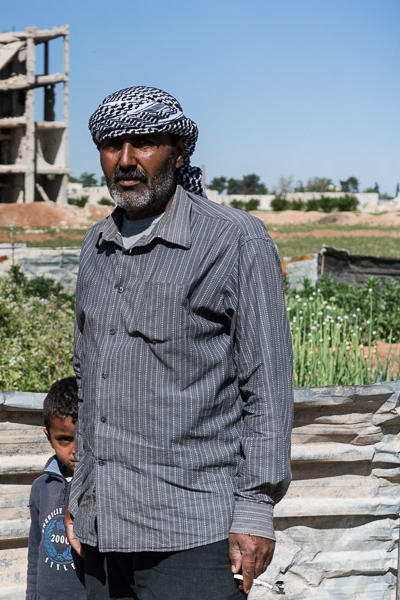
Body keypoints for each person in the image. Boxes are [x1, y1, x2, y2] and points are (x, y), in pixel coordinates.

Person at [64, 86, 293, 599]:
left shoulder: (235, 239)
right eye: (111, 145)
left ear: (179, 151)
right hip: (103, 526)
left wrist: (256, 507)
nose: (126, 160)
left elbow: (268, 387)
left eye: (144, 143)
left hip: (193, 529)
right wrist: (81, 492)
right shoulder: (95, 245)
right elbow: (87, 379)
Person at [27, 377, 86, 599]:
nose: (75, 450)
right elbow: (35, 548)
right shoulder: (41, 488)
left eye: (83, 438)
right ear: (49, 437)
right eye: (64, 439)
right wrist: (32, 594)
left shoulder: (100, 487)